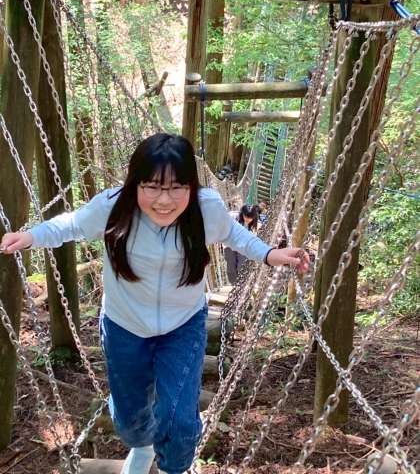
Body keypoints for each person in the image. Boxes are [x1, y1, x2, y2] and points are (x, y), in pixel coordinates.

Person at [0, 133, 309, 474]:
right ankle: (143, 445)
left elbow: (232, 234)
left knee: (180, 422)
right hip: (124, 325)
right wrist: (30, 236)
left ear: (191, 186)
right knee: (130, 424)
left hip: (183, 325)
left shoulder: (206, 208)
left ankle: (171, 467)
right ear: (136, 184)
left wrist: (269, 253)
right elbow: (72, 224)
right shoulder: (113, 207)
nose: (164, 200)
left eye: (177, 187)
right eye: (152, 187)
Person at [224, 204, 260, 285]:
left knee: (242, 265)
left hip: (243, 246)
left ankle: (242, 285)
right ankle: (234, 285)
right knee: (231, 265)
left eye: (251, 218)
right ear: (242, 214)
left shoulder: (255, 224)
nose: (248, 219)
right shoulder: (232, 216)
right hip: (229, 243)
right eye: (246, 216)